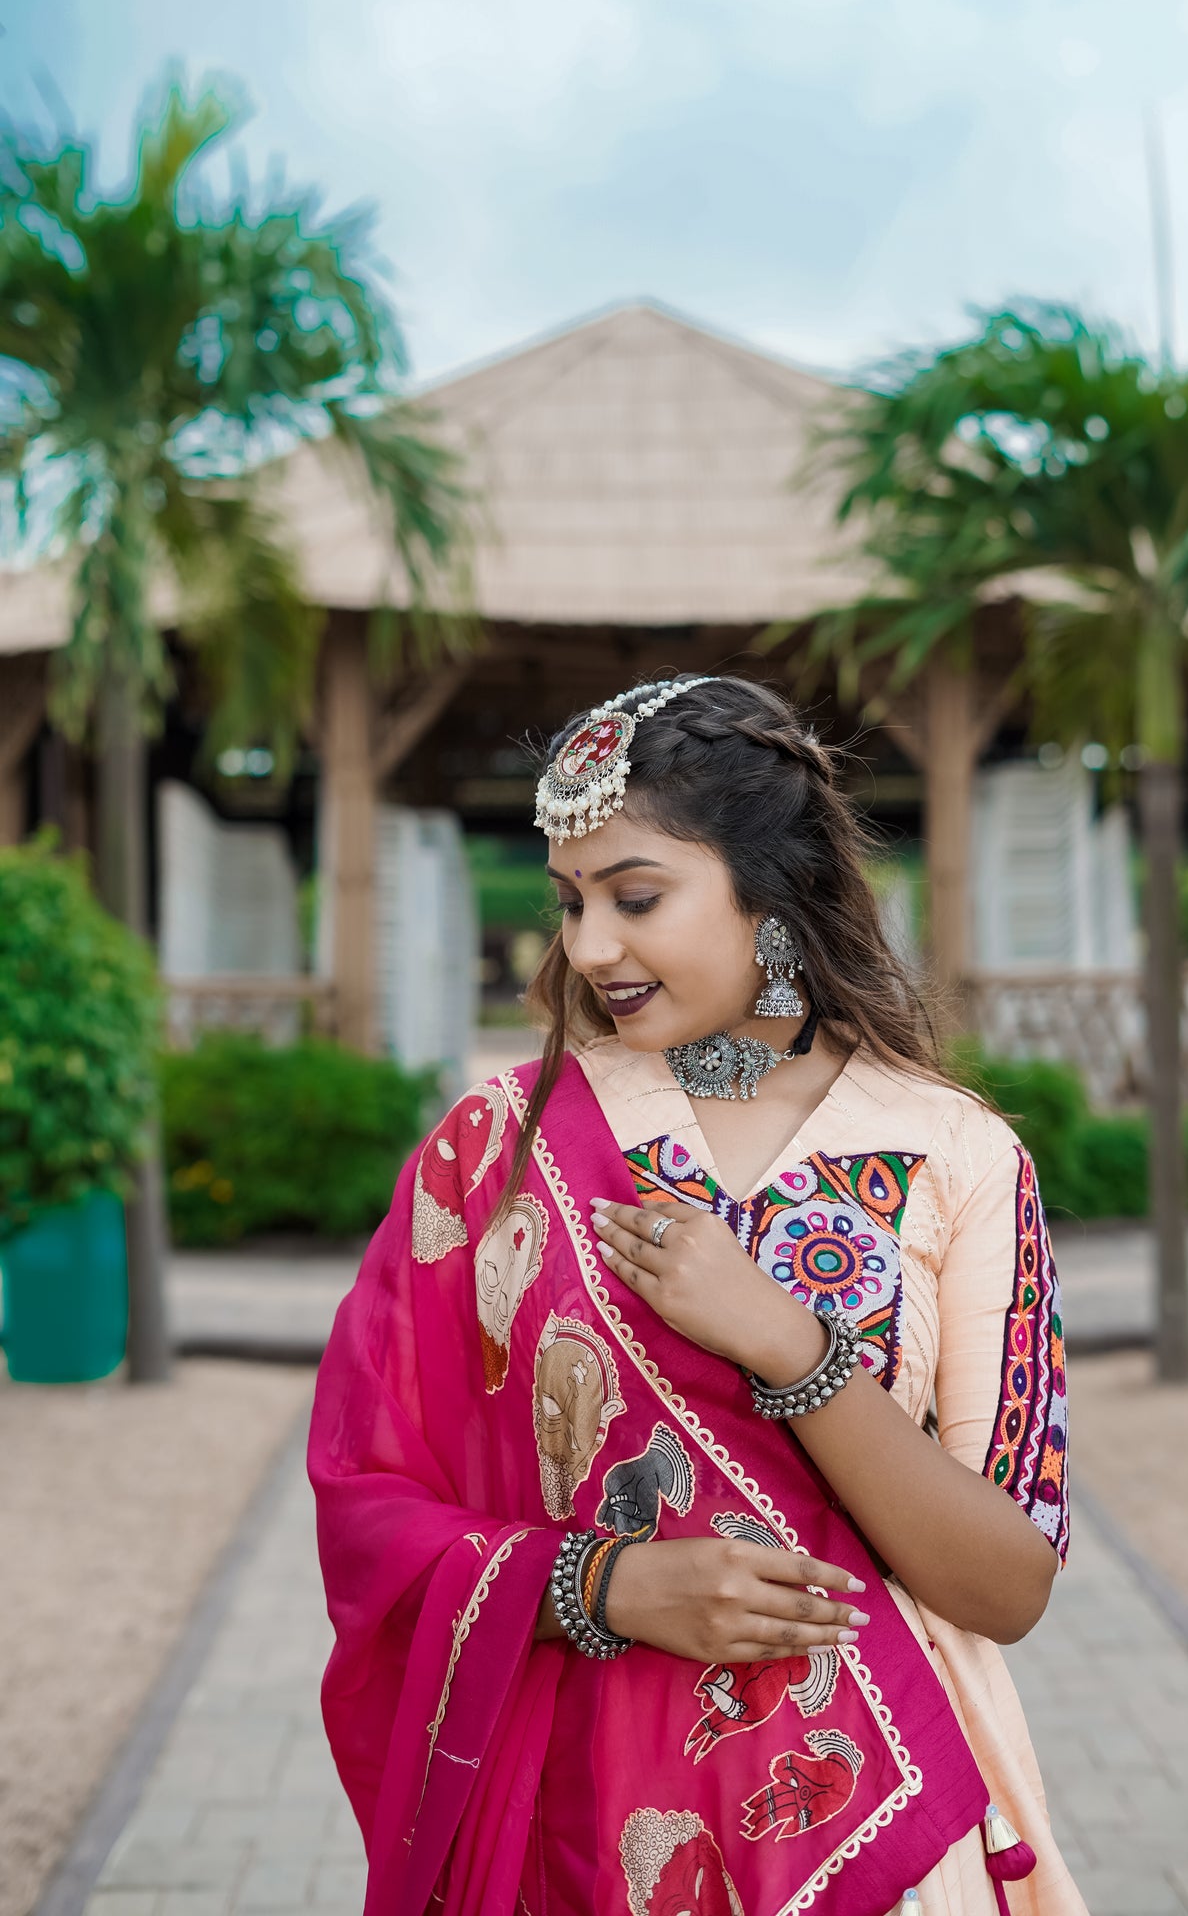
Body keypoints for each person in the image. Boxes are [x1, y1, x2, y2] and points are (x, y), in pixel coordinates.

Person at [310, 674, 1086, 1916]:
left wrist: (790, 1342)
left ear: (772, 893)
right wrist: (606, 1584)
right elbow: (367, 1505)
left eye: (637, 895)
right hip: (579, 1828)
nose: (587, 946)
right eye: (571, 902)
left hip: (882, 1821)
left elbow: (1005, 1581)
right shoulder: (495, 1148)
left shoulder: (956, 1156)